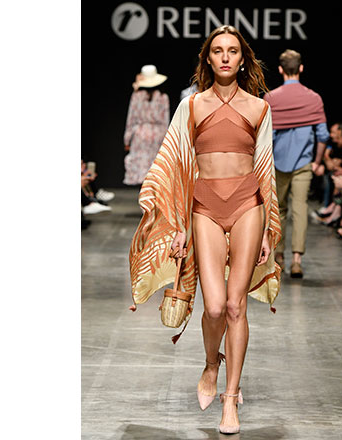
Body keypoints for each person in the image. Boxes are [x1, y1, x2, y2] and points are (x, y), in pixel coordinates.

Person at [128, 25, 282, 435]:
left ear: (243, 59)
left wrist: (269, 230)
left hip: (248, 204)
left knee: (235, 306)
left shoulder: (259, 108)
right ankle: (212, 364)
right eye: (218, 50)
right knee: (213, 307)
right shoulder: (191, 106)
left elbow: (265, 168)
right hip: (205, 206)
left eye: (233, 50)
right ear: (208, 58)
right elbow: (175, 164)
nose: (226, 57)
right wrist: (178, 223)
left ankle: (230, 400)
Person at [263, 49, 329, 278]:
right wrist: (317, 162)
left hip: (277, 163)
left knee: (279, 210)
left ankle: (279, 256)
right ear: (301, 68)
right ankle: (297, 261)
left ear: (280, 69)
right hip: (303, 162)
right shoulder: (313, 98)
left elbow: (267, 137)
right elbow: (323, 135)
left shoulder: (271, 98)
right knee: (300, 209)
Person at [123, 65, 170, 185]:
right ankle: (152, 195)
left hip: (140, 134)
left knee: (141, 166)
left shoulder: (136, 96)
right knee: (154, 167)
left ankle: (143, 194)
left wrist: (127, 140)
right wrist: (167, 141)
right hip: (157, 134)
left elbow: (131, 119)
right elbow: (165, 120)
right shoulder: (163, 97)